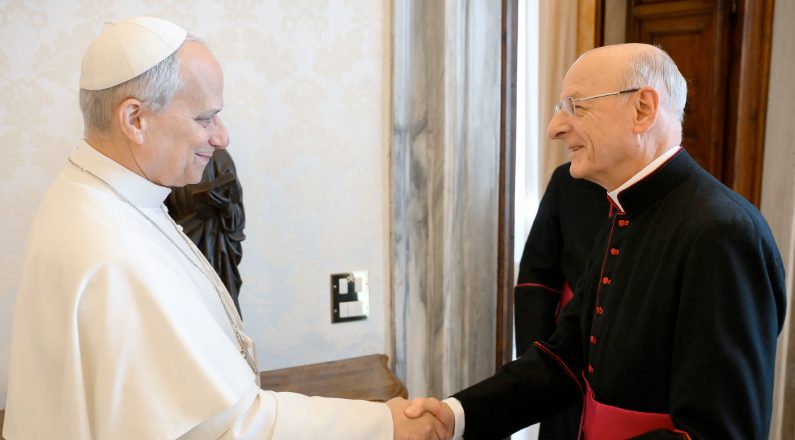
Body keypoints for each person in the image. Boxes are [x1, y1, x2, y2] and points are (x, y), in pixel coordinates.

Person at [3, 16, 447, 440]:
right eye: (204, 118)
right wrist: (385, 426)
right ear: (135, 119)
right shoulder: (112, 250)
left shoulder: (100, 197)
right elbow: (228, 429)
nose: (221, 137)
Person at [406, 43, 787, 439]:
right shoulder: (622, 213)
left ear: (642, 109)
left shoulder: (722, 231)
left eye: (577, 106)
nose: (555, 128)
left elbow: (721, 432)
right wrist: (456, 414)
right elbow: (564, 359)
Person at [514, 164, 607, 439]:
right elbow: (537, 274)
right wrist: (536, 361)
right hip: (569, 350)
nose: (559, 130)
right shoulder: (567, 181)